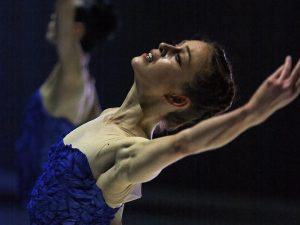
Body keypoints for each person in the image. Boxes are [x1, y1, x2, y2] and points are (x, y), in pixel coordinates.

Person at [27, 38, 300, 225]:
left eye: (178, 57)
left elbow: (182, 145)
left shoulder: (130, 152)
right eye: (175, 45)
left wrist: (253, 112)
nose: (164, 46)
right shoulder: (109, 115)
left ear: (177, 99)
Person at [16, 0, 117, 202]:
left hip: (50, 203)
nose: (54, 19)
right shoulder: (85, 82)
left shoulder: (74, 77)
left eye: (58, 18)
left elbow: (64, 4)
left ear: (76, 29)